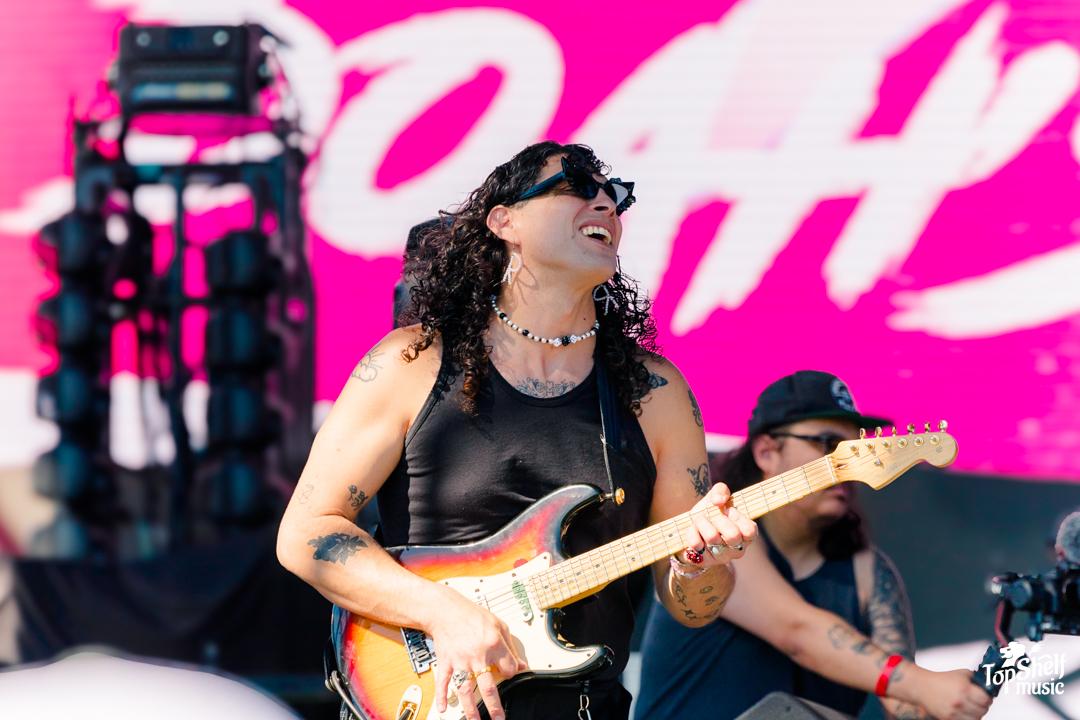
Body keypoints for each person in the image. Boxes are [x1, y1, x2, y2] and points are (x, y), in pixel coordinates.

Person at [276, 141, 758, 720]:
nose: (606, 203)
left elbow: (693, 609)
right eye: (575, 188)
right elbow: (305, 533)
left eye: (613, 196)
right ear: (504, 222)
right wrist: (441, 613)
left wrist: (701, 565)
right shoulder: (412, 363)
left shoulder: (657, 392)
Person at [635, 371, 993, 720]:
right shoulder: (719, 535)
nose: (849, 463)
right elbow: (796, 631)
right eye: (828, 444)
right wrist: (924, 685)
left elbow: (906, 705)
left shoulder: (870, 572)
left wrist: (951, 701)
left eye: (856, 447)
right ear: (766, 453)